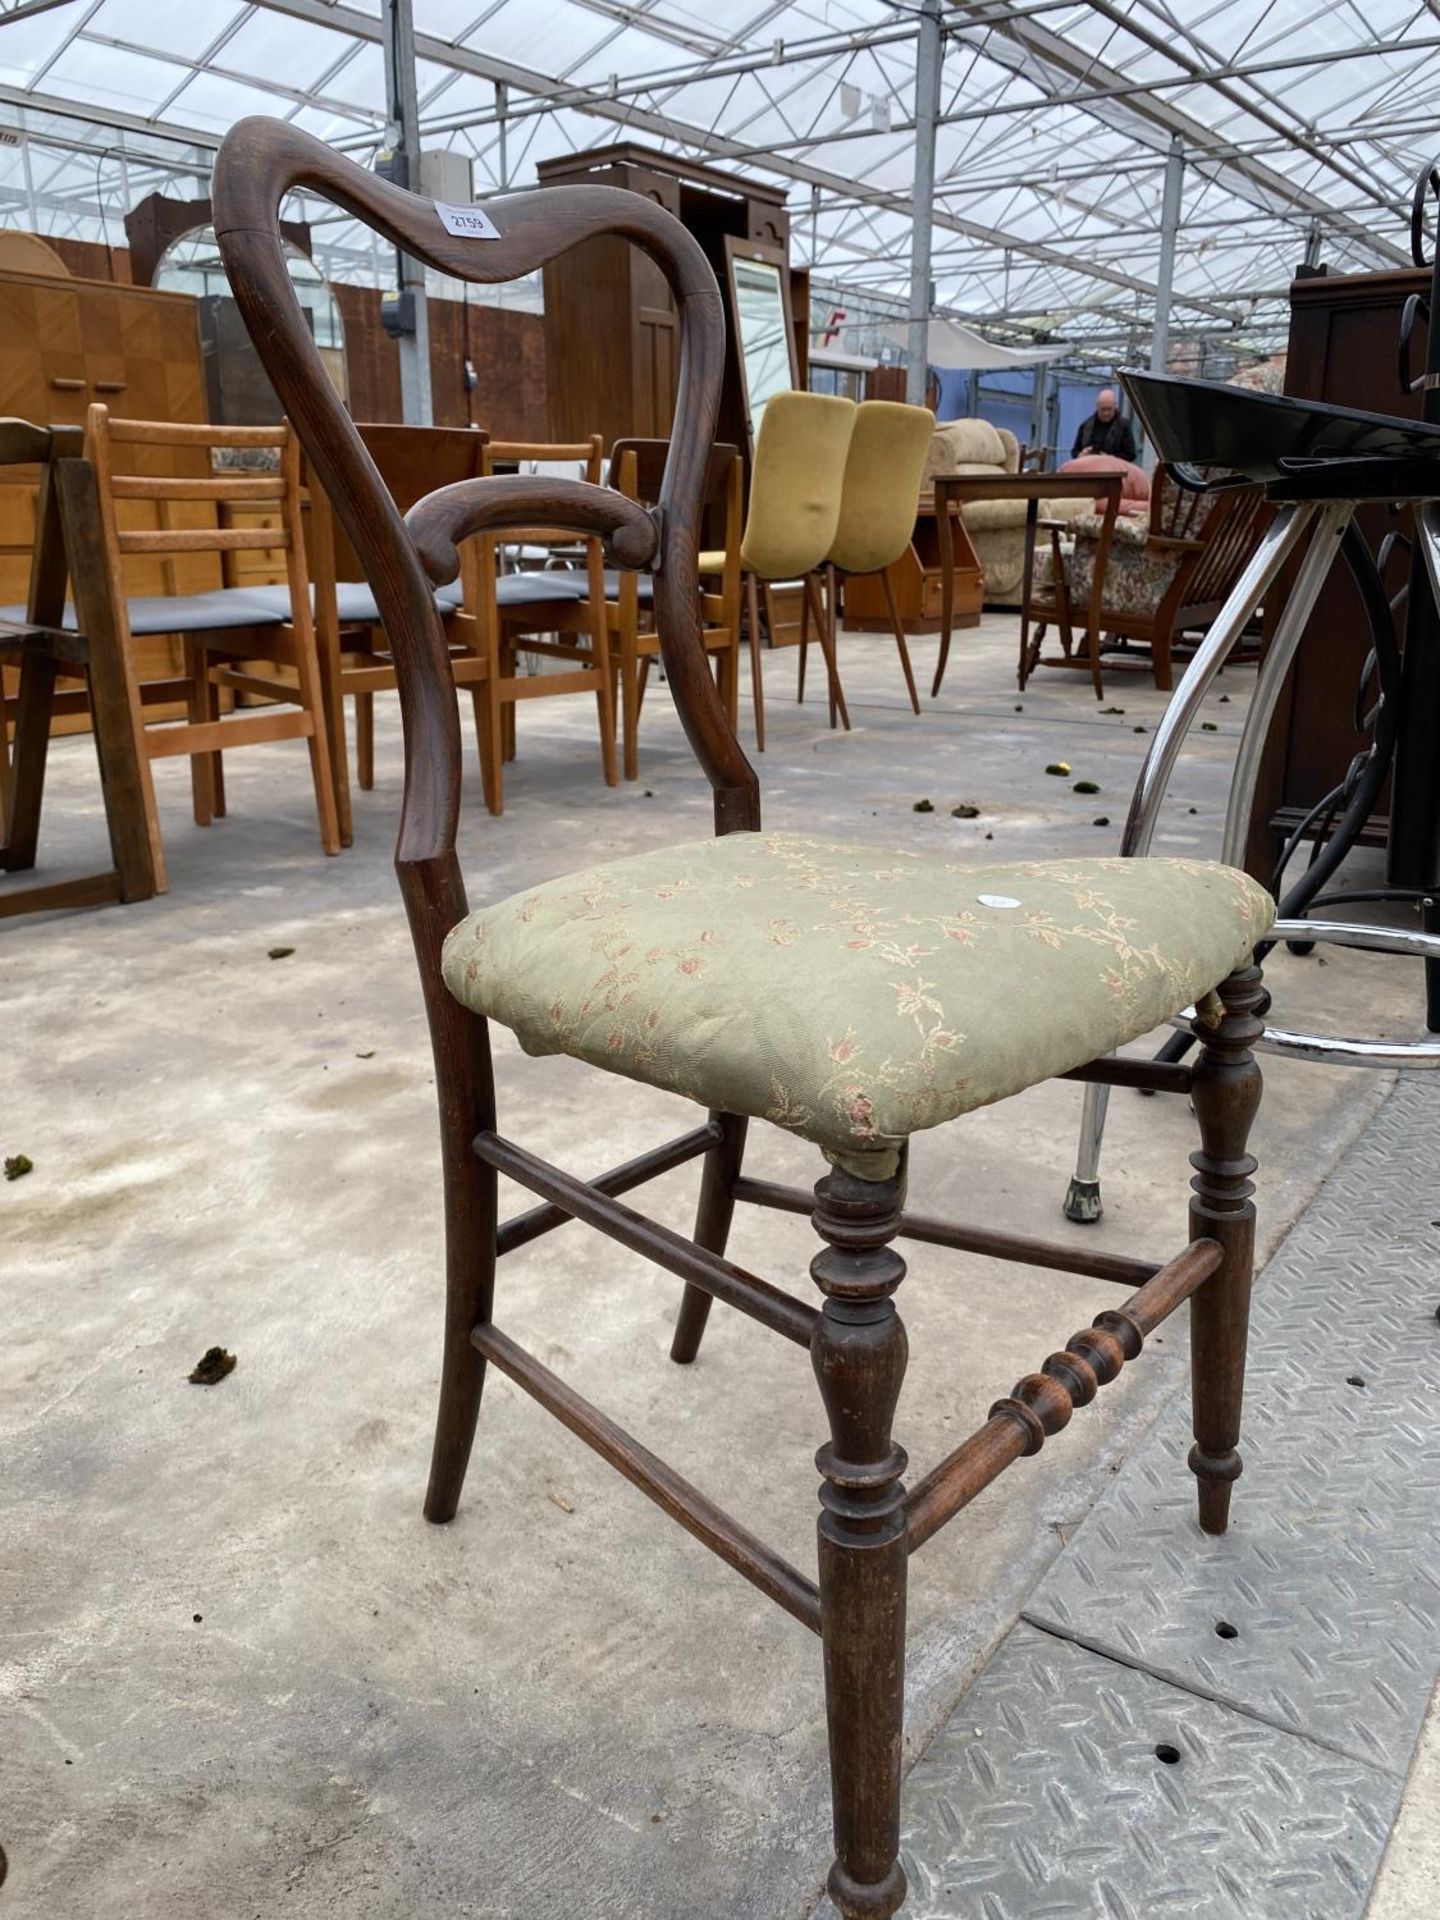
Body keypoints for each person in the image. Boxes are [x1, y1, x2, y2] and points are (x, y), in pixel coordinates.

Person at [1071, 387, 1138, 463]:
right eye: (1103, 409)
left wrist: (1111, 458)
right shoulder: (1086, 425)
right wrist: (1081, 455)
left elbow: (1131, 454)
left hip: (1114, 471)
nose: (1106, 413)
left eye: (1109, 409)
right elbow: (1074, 451)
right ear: (1097, 407)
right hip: (1089, 470)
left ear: (1115, 406)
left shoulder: (1124, 426)